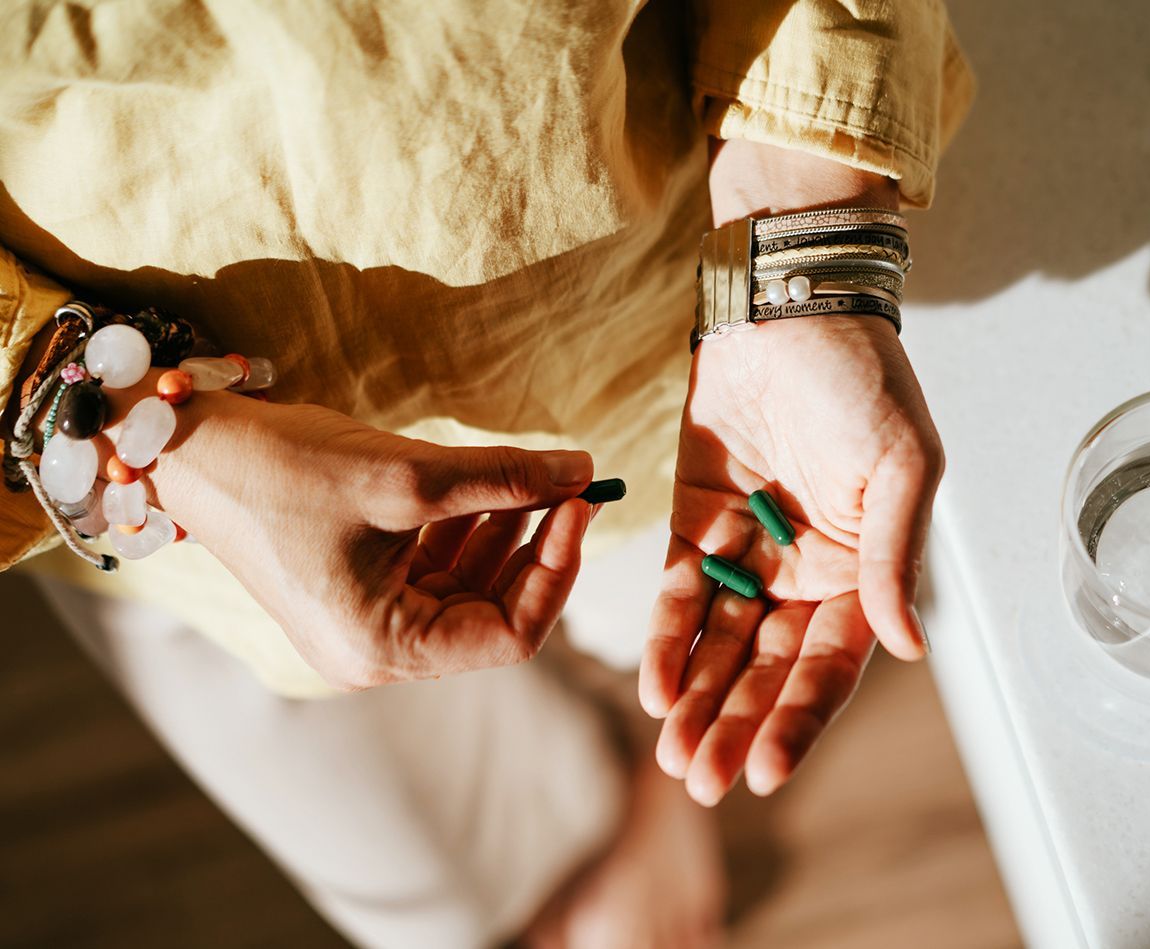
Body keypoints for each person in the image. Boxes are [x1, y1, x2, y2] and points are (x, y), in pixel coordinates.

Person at [0, 1, 973, 946]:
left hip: (657, 333)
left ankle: (627, 790)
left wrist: (797, 239)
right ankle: (605, 815)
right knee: (449, 902)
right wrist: (165, 446)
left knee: (557, 777)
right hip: (160, 503)